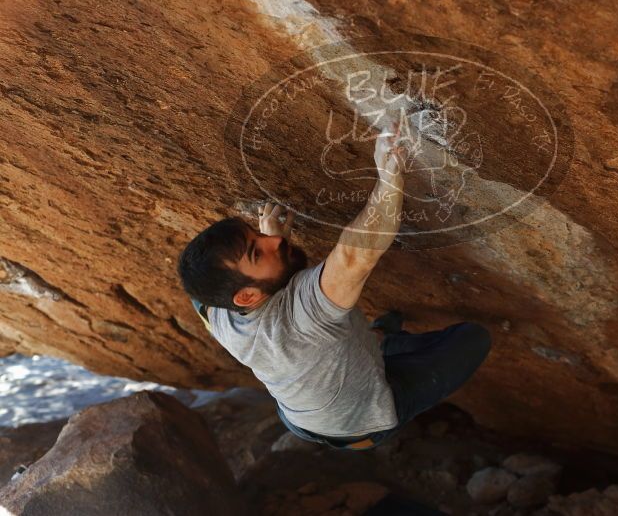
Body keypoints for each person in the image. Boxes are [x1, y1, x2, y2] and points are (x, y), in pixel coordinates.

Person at [176, 122, 491, 450]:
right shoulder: (299, 319)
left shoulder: (219, 312)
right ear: (246, 295)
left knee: (356, 334)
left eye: (259, 237)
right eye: (258, 252)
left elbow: (198, 296)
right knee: (473, 339)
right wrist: (388, 177)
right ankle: (387, 341)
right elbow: (355, 256)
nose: (273, 240)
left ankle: (381, 335)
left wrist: (267, 240)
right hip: (362, 420)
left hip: (299, 418)